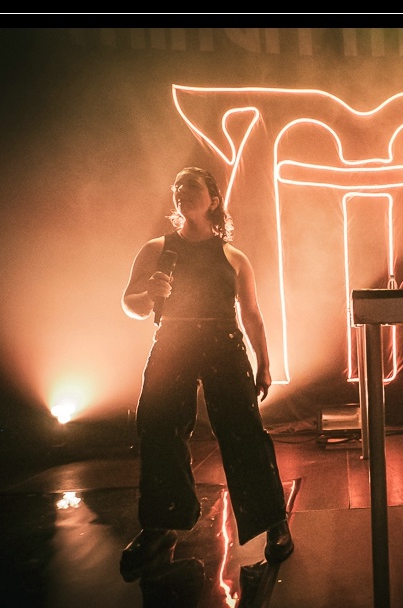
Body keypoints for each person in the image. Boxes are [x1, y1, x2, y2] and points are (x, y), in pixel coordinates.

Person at [120, 166, 293, 580]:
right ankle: (160, 524)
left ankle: (274, 523)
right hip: (173, 341)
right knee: (158, 427)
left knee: (243, 432)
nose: (182, 190)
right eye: (178, 185)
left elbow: (251, 314)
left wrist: (265, 362)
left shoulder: (233, 256)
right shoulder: (156, 249)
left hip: (222, 342)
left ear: (213, 200)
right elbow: (130, 303)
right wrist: (149, 295)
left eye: (192, 185)